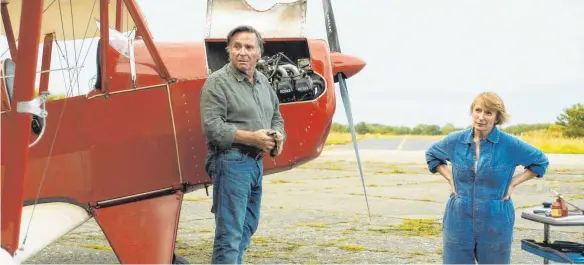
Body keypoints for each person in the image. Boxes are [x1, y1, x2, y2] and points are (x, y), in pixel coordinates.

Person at [425, 91, 549, 264]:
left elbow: (540, 162)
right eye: (478, 110)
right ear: (472, 112)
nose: (481, 117)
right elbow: (432, 155)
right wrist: (449, 177)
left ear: (497, 118)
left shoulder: (510, 144)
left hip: (495, 218)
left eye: (488, 113)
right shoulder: (455, 140)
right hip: (459, 217)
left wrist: (513, 183)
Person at [199, 25, 286, 264]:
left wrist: (277, 136)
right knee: (230, 234)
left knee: (247, 225)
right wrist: (253, 138)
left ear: (259, 53)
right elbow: (213, 127)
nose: (242, 52)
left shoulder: (262, 82)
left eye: (249, 47)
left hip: (255, 164)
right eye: (237, 46)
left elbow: (276, 115)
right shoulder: (217, 82)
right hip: (231, 161)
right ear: (229, 51)